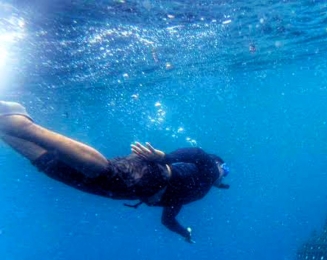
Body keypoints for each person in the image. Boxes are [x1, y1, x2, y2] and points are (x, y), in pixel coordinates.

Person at [0, 101, 230, 243]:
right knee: (105, 173)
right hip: (152, 176)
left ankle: (5, 128)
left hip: (146, 183)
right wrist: (165, 157)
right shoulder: (209, 171)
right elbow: (199, 153)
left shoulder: (194, 192)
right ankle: (22, 125)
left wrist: (184, 233)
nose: (223, 172)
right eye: (224, 168)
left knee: (65, 173)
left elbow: (168, 219)